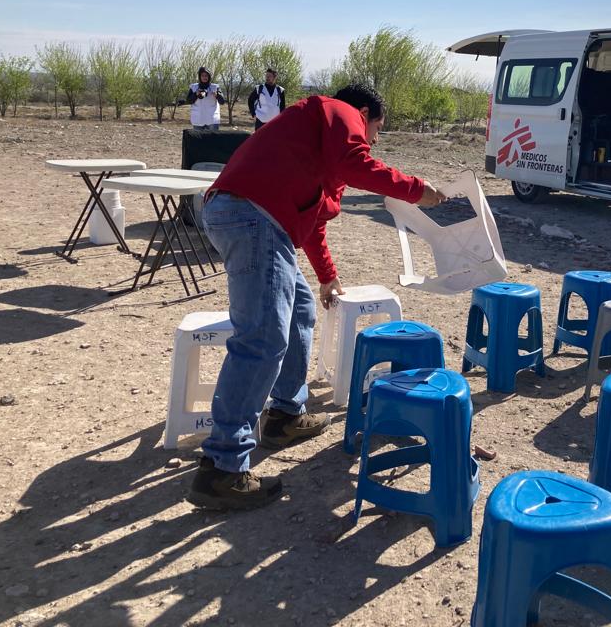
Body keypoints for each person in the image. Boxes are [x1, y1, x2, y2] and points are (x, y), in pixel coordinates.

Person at [188, 83, 446, 510]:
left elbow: (314, 222)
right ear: (364, 111)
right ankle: (222, 468)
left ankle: (286, 415)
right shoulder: (340, 112)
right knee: (262, 338)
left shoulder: (316, 150)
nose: (375, 139)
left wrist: (327, 276)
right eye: (377, 127)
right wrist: (418, 190)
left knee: (301, 307)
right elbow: (360, 164)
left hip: (256, 218)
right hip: (254, 215)